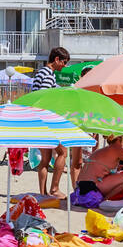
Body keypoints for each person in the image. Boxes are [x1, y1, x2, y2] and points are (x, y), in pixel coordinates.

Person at [30, 47, 72, 197]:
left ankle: (43, 193)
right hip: (45, 121)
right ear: (56, 60)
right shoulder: (48, 74)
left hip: (37, 121)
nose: (64, 66)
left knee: (45, 159)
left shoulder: (42, 72)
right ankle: (54, 189)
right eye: (64, 62)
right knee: (63, 152)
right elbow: (44, 99)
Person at [76, 134, 123, 199]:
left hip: (80, 186)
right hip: (91, 187)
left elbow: (99, 169)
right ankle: (104, 200)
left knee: (116, 175)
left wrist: (115, 170)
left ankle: (104, 200)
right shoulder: (116, 148)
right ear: (120, 138)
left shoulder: (104, 150)